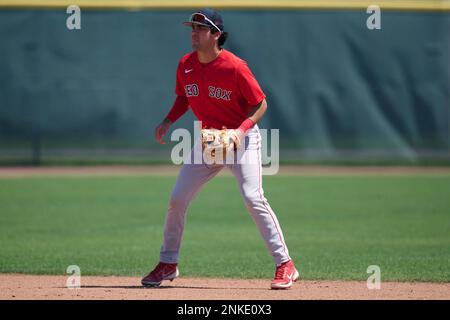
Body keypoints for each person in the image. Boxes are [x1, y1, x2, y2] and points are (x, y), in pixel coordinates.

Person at [142, 8, 298, 290]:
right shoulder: (185, 64)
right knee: (177, 199)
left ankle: (285, 264)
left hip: (242, 140)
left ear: (216, 35)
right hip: (209, 141)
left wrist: (240, 131)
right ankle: (168, 263)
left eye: (201, 29)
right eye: (192, 28)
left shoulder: (235, 66)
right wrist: (167, 121)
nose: (194, 33)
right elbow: (184, 98)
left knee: (253, 198)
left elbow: (261, 104)